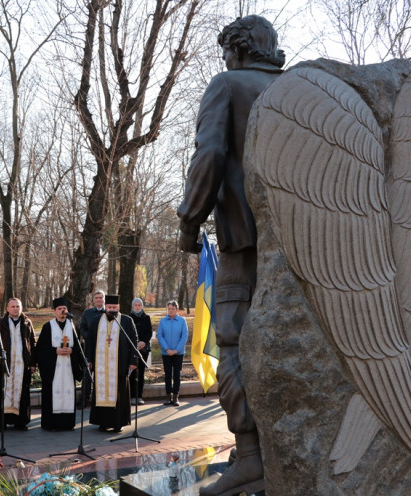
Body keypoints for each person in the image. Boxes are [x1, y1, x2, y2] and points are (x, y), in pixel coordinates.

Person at [176, 15, 285, 496]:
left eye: (225, 52)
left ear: (238, 50)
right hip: (299, 250)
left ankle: (253, 458)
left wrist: (189, 219)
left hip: (243, 244)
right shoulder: (300, 88)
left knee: (233, 343)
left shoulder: (228, 84)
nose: (224, 61)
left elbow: (210, 155)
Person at [87, 294, 138, 433]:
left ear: (119, 307)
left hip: (120, 365)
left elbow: (134, 341)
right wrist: (89, 359)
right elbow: (90, 341)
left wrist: (133, 361)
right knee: (101, 391)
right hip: (101, 366)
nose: (112, 310)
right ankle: (102, 422)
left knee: (119, 393)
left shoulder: (127, 321)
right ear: (105, 308)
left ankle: (118, 423)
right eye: (109, 307)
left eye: (114, 307)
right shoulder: (97, 321)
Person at [0, 298, 37, 431]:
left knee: (22, 393)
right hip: (5, 364)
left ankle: (20, 422)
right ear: (7, 308)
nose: (16, 309)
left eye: (18, 306)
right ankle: (1, 422)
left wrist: (33, 363)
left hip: (22, 365)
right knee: (2, 393)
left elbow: (32, 343)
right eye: (13, 306)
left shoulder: (27, 323)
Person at [36, 297, 83, 431]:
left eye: (64, 309)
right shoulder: (48, 327)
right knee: (53, 394)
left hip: (68, 367)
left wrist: (72, 350)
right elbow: (40, 349)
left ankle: (67, 424)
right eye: (59, 309)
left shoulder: (73, 327)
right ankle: (51, 424)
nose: (62, 311)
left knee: (68, 393)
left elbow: (80, 347)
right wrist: (55, 350)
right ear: (55, 311)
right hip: (53, 369)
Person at [76, 289, 105, 407]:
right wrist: (87, 336)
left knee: (101, 375)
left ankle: (99, 400)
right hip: (89, 348)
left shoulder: (108, 312)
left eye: (100, 297)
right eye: (96, 298)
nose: (98, 300)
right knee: (87, 374)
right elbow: (81, 326)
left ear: (104, 299)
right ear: (93, 300)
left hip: (104, 349)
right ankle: (84, 400)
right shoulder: (87, 313)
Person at [157, 301, 188, 407]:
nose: (171, 310)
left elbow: (184, 336)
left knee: (177, 375)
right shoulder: (162, 321)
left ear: (177, 310)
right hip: (166, 353)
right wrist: (167, 349)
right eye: (169, 308)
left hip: (178, 353)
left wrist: (176, 350)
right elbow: (160, 336)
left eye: (173, 309)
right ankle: (168, 396)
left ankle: (175, 396)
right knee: (168, 375)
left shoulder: (182, 321)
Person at [129, 298, 152, 405]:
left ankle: (140, 396)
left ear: (142, 306)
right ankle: (132, 396)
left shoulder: (146, 318)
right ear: (133, 306)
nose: (137, 307)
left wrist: (143, 342)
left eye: (139, 305)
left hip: (143, 349)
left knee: (141, 373)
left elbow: (149, 332)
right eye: (135, 305)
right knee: (132, 373)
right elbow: (128, 333)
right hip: (132, 349)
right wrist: (135, 344)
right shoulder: (128, 318)